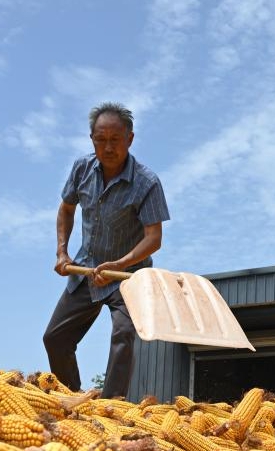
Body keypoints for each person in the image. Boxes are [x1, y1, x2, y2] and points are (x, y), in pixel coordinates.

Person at [42, 102, 170, 399]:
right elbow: (66, 209)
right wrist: (62, 252)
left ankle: (111, 406)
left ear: (130, 139)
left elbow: (154, 238)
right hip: (87, 269)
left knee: (123, 335)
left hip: (129, 276)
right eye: (101, 140)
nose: (108, 147)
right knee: (55, 338)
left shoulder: (147, 182)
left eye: (115, 140)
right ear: (92, 139)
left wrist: (120, 264)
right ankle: (74, 399)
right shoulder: (82, 169)